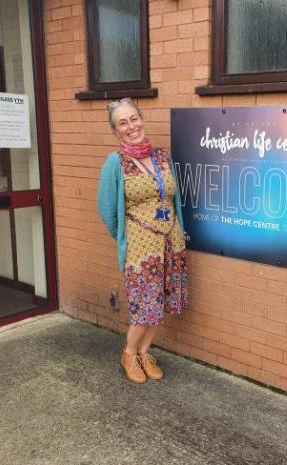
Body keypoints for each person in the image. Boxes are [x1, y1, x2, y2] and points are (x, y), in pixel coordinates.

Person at [98, 97, 187, 384]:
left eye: (134, 118)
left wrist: (179, 234)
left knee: (161, 303)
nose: (131, 126)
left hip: (170, 242)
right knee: (144, 307)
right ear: (115, 131)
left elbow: (176, 200)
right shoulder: (116, 163)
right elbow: (106, 209)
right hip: (141, 249)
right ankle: (128, 352)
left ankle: (144, 353)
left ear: (142, 119)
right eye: (123, 123)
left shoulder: (163, 157)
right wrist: (127, 237)